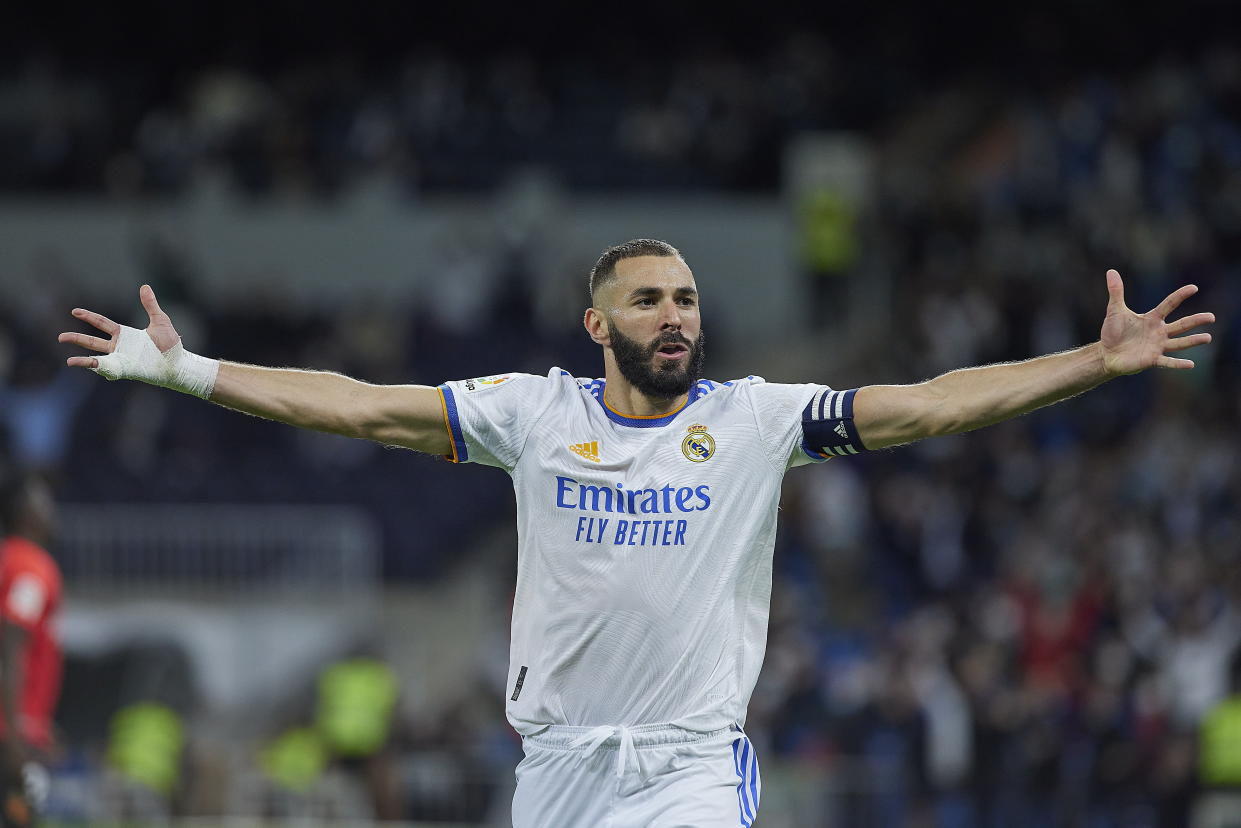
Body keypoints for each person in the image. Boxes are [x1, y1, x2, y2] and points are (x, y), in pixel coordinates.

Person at [57, 239, 1214, 827]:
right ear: (595, 319)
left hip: (686, 771)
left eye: (689, 299)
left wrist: (1087, 364)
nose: (676, 316)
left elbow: (929, 401)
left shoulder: (756, 421)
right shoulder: (531, 414)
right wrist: (190, 370)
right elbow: (355, 403)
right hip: (558, 769)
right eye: (650, 299)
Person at [0, 475, 63, 827]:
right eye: (44, 501)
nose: (52, 510)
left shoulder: (6, 560)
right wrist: (16, 736)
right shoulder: (31, 568)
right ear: (26, 512)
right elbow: (11, 644)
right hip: (9, 735)